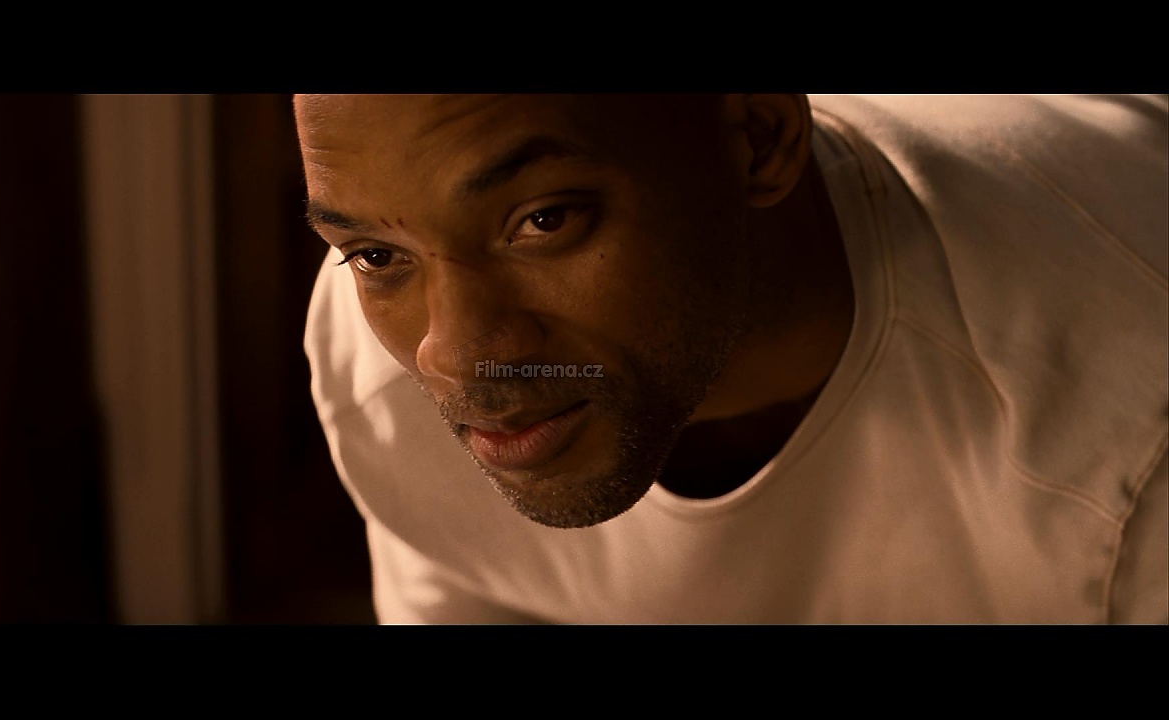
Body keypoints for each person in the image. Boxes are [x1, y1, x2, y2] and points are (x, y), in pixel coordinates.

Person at [294, 94, 1167, 624]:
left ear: (757, 139)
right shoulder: (380, 371)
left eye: (545, 219)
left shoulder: (1125, 409)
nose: (454, 357)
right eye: (375, 254)